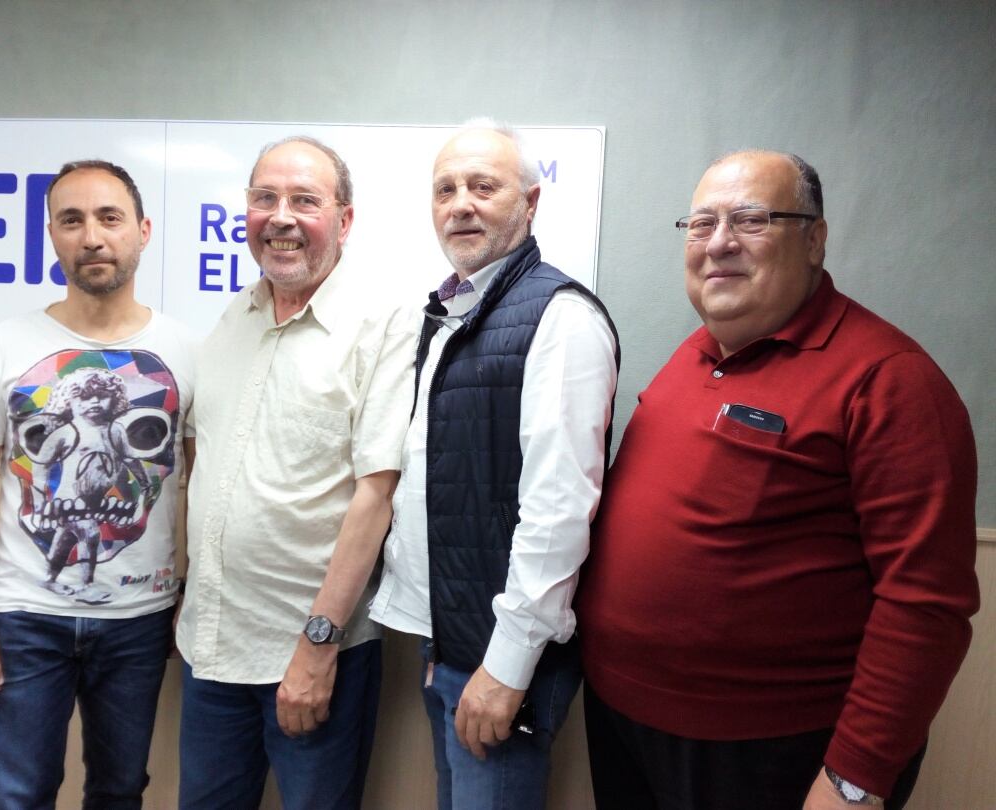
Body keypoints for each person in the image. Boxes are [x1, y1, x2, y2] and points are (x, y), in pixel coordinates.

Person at [577, 150, 979, 810]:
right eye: (701, 224)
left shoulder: (890, 381)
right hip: (627, 724)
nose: (720, 243)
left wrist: (856, 778)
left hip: (771, 753)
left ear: (814, 240)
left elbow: (926, 603)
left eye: (751, 219)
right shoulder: (693, 353)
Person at [369, 120, 619, 810]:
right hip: (450, 644)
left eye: (484, 186)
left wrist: (506, 667)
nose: (461, 204)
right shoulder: (455, 312)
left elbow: (559, 511)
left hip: (500, 656)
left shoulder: (560, 319)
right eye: (445, 189)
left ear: (531, 204)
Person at [0, 159, 196, 809]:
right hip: (23, 618)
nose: (92, 236)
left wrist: (187, 593)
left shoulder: (186, 351)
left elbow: (200, 484)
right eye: (72, 220)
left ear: (142, 230)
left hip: (140, 620)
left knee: (119, 792)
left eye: (109, 218)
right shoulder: (3, 346)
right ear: (51, 234)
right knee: (19, 793)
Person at [176, 136, 416, 810]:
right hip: (211, 647)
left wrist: (318, 646)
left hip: (312, 656)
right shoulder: (231, 320)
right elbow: (201, 465)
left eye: (304, 201)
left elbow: (378, 495)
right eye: (264, 198)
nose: (280, 217)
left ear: (343, 221)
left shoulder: (382, 324)